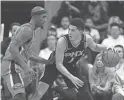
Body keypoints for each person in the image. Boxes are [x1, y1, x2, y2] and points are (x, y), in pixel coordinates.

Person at [1, 6, 53, 100]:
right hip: (11, 66)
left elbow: (29, 54)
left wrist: (47, 62)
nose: (45, 20)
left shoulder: (31, 31)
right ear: (35, 17)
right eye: (43, 17)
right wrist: (26, 67)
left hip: (17, 67)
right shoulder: (27, 30)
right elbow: (13, 48)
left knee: (34, 90)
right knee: (20, 96)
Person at [55, 18, 108, 100]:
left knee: (83, 92)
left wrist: (107, 48)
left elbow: (95, 47)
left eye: (73, 30)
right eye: (69, 30)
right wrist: (71, 77)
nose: (70, 32)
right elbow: (58, 64)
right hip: (57, 66)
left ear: (80, 32)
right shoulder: (63, 41)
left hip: (72, 67)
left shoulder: (87, 39)